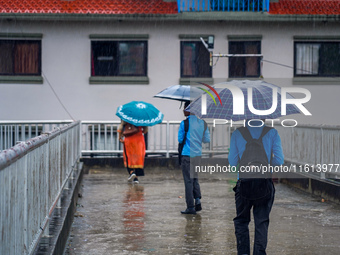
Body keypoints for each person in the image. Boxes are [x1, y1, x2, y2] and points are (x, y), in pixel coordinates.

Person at [228, 119, 284, 255]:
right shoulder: (272, 133)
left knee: (241, 221)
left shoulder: (237, 133)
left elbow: (232, 162)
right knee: (261, 222)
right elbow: (279, 160)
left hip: (244, 184)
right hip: (264, 185)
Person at [178, 101, 210, 215]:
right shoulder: (203, 123)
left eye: (184, 107)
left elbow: (180, 139)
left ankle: (190, 207)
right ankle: (198, 201)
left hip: (187, 155)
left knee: (188, 181)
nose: (183, 110)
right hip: (198, 156)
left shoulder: (184, 124)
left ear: (189, 109)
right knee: (195, 178)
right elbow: (207, 140)